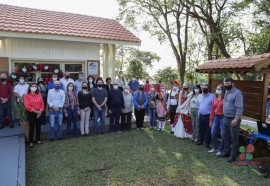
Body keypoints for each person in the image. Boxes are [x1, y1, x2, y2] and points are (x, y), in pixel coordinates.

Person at [221, 77, 243, 163]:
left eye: (228, 83)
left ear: (232, 83)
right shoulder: (226, 91)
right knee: (226, 136)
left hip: (233, 119)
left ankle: (233, 156)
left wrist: (236, 119)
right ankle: (226, 152)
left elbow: (240, 108)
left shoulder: (237, 93)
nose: (226, 85)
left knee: (234, 138)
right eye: (225, 84)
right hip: (225, 118)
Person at [24, 83, 44, 148]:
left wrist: (40, 112)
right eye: (32, 86)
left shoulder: (39, 94)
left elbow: (42, 103)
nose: (34, 87)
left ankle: (38, 140)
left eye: (35, 86)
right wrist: (37, 112)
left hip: (39, 112)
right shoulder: (27, 95)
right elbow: (27, 106)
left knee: (38, 127)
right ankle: (31, 142)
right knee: (31, 128)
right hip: (31, 113)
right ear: (30, 88)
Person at [196, 83, 214, 149]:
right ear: (201, 88)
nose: (204, 88)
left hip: (208, 116)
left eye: (205, 87)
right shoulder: (199, 96)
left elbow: (213, 107)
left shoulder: (212, 96)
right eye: (203, 87)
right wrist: (198, 114)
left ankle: (207, 144)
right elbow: (198, 106)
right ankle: (200, 141)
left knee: (208, 130)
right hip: (201, 115)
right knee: (201, 129)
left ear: (208, 88)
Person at [209, 84, 226, 155]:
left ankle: (221, 150)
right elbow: (212, 109)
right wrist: (210, 119)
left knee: (223, 134)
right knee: (213, 132)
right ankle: (215, 148)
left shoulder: (225, 98)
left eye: (219, 89)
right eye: (217, 89)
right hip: (216, 116)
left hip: (223, 117)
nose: (217, 90)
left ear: (223, 90)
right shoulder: (215, 97)